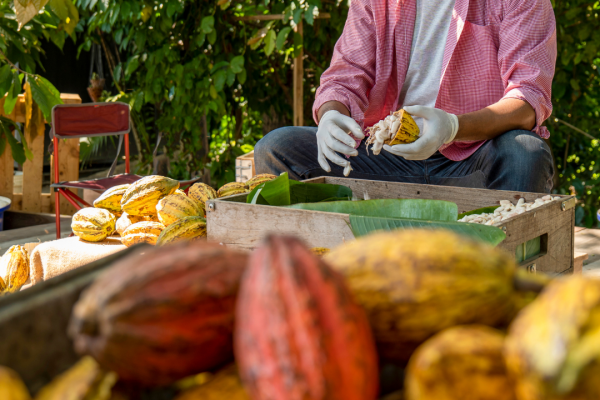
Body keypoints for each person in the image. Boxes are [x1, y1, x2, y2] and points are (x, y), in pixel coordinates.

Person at [255, 0, 557, 193]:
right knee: (277, 149)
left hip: (473, 159)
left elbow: (528, 98)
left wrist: (452, 127)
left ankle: (495, 279)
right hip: (388, 156)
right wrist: (332, 114)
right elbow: (345, 75)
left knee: (525, 154)